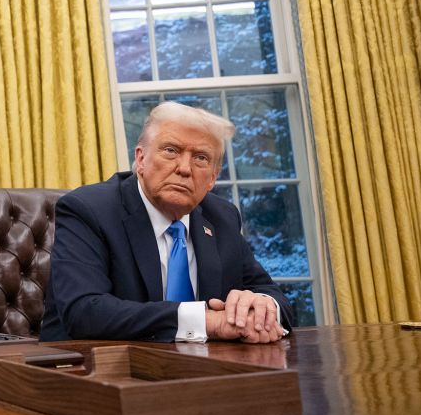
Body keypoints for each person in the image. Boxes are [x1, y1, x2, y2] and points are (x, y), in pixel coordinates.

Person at [40, 102, 294, 344]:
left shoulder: (221, 217)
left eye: (201, 158)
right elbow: (84, 312)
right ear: (141, 159)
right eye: (171, 151)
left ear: (213, 179)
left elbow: (275, 297)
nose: (185, 168)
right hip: (89, 372)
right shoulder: (89, 209)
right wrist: (206, 322)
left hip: (202, 373)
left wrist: (261, 308)